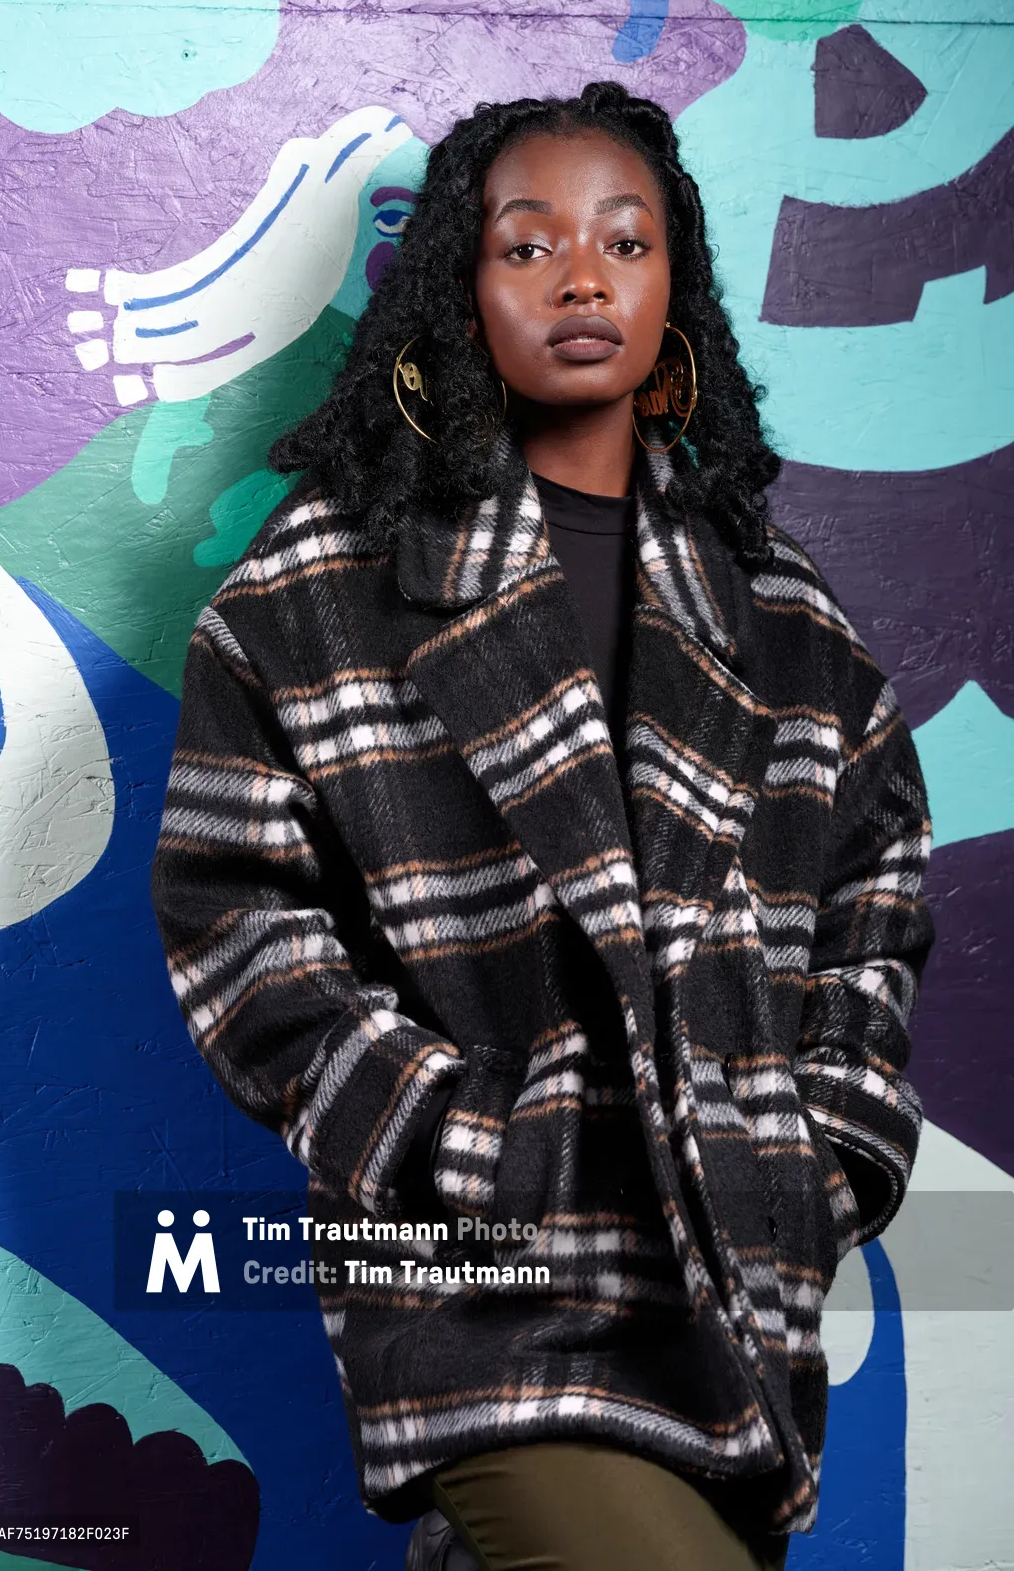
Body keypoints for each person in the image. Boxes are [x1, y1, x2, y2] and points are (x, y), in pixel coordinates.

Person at [150, 82, 934, 1571]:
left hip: (736, 1300)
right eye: (529, 246)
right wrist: (469, 1143)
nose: (583, 276)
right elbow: (233, 920)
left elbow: (875, 901)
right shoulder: (319, 592)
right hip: (476, 1285)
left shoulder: (787, 622)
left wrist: (820, 1155)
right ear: (461, 290)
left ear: (673, 291)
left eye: (624, 242)